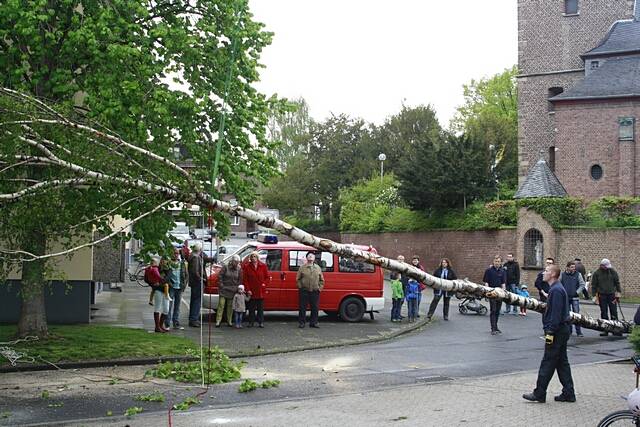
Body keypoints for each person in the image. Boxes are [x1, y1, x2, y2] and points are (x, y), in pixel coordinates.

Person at [523, 263, 575, 403]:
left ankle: (539, 393)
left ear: (552, 274)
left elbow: (556, 314)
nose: (543, 273)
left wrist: (550, 331)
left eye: (546, 271)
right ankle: (569, 393)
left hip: (557, 332)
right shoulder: (556, 289)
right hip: (562, 331)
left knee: (548, 361)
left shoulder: (556, 290)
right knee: (562, 363)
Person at [591, 258, 623, 337]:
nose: (607, 268)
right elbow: (594, 285)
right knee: (604, 312)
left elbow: (617, 282)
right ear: (601, 266)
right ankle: (606, 330)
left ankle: (616, 329)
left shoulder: (613, 272)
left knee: (614, 312)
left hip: (612, 295)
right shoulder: (597, 273)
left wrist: (618, 292)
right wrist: (594, 295)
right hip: (602, 295)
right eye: (606, 266)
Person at [187, 242, 213, 328]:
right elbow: (195, 272)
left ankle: (192, 318)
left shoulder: (193, 255)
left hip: (194, 282)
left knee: (194, 300)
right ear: (200, 249)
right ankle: (194, 319)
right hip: (197, 282)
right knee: (197, 301)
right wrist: (202, 279)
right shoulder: (196, 257)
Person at [296, 252, 324, 328]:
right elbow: (298, 279)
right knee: (302, 307)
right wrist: (300, 287)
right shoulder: (302, 268)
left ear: (314, 258)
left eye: (312, 255)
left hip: (315, 291)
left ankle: (314, 323)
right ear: (307, 258)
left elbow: (322, 280)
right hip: (304, 291)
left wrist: (319, 288)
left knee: (315, 308)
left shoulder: (318, 268)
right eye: (309, 255)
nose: (311, 256)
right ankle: (302, 322)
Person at [243, 251, 270, 328]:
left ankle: (260, 322)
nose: (253, 258)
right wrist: (248, 290)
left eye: (255, 256)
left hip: (260, 290)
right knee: (251, 308)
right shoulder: (247, 266)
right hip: (251, 290)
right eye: (252, 256)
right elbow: (245, 280)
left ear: (257, 257)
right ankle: (251, 322)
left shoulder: (263, 266)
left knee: (260, 308)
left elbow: (267, 277)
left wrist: (264, 284)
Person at [216, 254, 243, 327]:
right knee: (221, 305)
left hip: (233, 290)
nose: (236, 264)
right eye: (235, 262)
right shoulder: (225, 267)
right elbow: (220, 276)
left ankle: (229, 321)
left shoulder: (239, 269)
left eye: (238, 262)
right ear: (232, 261)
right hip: (224, 289)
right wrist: (221, 285)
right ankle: (218, 321)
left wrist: (237, 288)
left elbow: (240, 280)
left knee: (230, 306)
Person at [560, 261, 585, 337]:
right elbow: (559, 284)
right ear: (567, 267)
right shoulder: (563, 275)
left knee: (576, 315)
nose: (573, 269)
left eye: (574, 267)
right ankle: (569, 330)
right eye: (572, 267)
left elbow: (582, 285)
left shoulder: (578, 274)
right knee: (568, 315)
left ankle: (578, 331)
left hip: (575, 298)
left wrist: (577, 292)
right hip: (566, 298)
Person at [145, 257, 169, 333]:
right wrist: (152, 284)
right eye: (162, 261)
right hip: (158, 289)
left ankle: (160, 325)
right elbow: (146, 278)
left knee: (166, 309)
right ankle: (157, 327)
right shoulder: (156, 268)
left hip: (166, 290)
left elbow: (168, 279)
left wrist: (161, 283)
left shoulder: (169, 269)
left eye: (165, 262)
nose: (163, 263)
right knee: (157, 308)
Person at [483, 255, 506, 335]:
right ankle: (493, 328)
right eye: (496, 261)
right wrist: (487, 291)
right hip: (492, 293)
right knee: (493, 310)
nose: (497, 263)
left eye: (499, 262)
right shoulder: (488, 270)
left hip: (499, 294)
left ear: (500, 263)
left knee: (497, 311)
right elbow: (486, 282)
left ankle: (496, 327)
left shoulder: (502, 271)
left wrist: (504, 292)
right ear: (493, 262)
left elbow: (503, 283)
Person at [165, 250, 185, 330]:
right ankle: (167, 323)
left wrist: (184, 284)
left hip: (179, 287)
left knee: (177, 307)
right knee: (169, 306)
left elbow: (185, 274)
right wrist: (168, 282)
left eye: (177, 253)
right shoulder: (169, 263)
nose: (176, 255)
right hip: (171, 287)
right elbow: (164, 274)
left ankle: (176, 323)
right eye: (174, 253)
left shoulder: (182, 263)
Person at [397, 255, 409, 319]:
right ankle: (396, 315)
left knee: (402, 301)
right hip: (398, 286)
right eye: (400, 259)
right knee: (397, 301)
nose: (401, 260)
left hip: (404, 285)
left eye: (402, 259)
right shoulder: (395, 267)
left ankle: (399, 314)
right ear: (397, 260)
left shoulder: (405, 267)